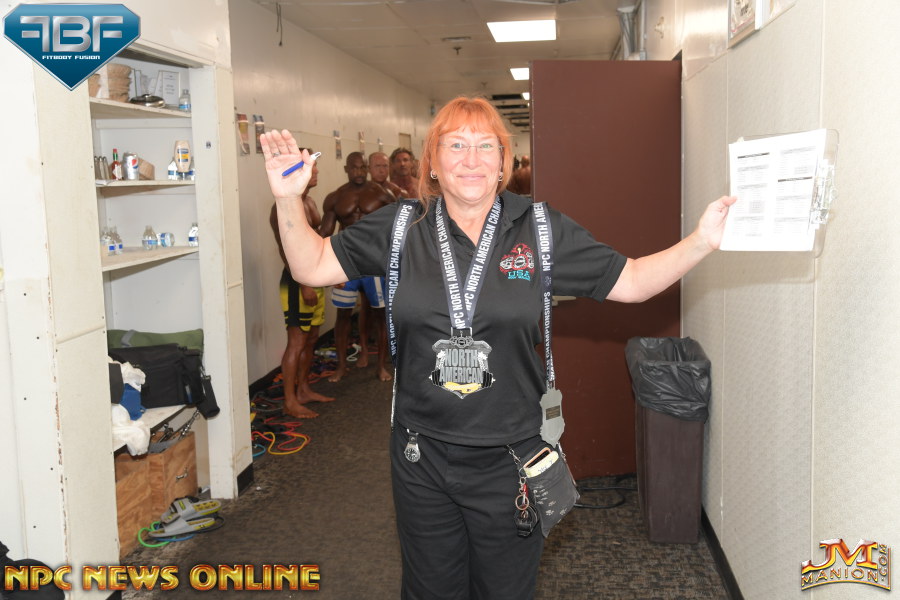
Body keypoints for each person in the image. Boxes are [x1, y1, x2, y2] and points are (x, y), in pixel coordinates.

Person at [261, 96, 735, 600]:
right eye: (456, 146)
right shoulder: (402, 226)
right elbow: (311, 265)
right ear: (433, 161)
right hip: (421, 454)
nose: (472, 159)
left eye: (486, 146)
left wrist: (701, 241)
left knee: (504, 591)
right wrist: (288, 199)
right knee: (429, 590)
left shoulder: (540, 228)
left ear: (504, 162)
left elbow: (634, 280)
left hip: (512, 457)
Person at [319, 151, 395, 382]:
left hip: (374, 261)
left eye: (363, 167)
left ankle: (381, 366)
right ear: (346, 169)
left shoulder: (382, 194)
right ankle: (342, 366)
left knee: (380, 314)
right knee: (343, 315)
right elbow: (325, 233)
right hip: (346, 262)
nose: (359, 172)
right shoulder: (335, 197)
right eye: (354, 168)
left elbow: (397, 225)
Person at [269, 148, 334, 418]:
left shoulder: (310, 201)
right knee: (296, 341)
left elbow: (316, 241)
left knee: (312, 338)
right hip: (297, 282)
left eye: (315, 167)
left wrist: (329, 273)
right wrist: (305, 284)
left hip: (312, 278)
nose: (316, 171)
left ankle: (303, 389)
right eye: (311, 167)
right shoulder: (284, 206)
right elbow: (286, 250)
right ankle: (289, 400)